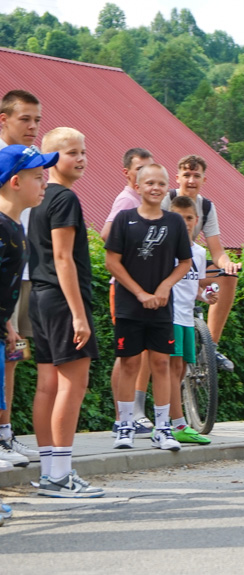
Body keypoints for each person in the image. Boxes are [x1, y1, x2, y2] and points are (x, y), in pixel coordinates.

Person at [28, 127, 104, 497]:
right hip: (61, 300)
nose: (81, 158)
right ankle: (60, 475)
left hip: (39, 298)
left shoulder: (38, 197)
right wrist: (78, 313)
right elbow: (63, 258)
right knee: (73, 385)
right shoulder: (65, 200)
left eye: (83, 151)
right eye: (72, 152)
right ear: (53, 158)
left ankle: (48, 472)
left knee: (48, 386)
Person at [105, 163, 192, 451]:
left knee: (161, 364)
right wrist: (140, 293)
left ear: (168, 187)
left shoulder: (175, 222)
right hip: (130, 306)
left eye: (161, 183)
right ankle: (126, 424)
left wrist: (165, 287)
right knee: (129, 363)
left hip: (162, 308)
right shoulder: (124, 219)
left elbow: (185, 263)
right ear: (138, 186)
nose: (155, 188)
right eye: (149, 183)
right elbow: (112, 262)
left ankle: (163, 427)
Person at [0, 144, 57, 519]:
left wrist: (6, 323)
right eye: (38, 176)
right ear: (16, 181)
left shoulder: (14, 225)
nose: (45, 182)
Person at [160, 155, 240, 372]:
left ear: (204, 179)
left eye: (196, 176)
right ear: (177, 178)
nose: (191, 180)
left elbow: (216, 249)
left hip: (190, 263)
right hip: (166, 263)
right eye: (187, 175)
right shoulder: (167, 200)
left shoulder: (206, 206)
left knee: (229, 277)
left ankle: (210, 346)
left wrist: (228, 264)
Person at [102, 148, 157, 437]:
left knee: (144, 353)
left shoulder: (147, 201)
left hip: (147, 290)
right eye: (140, 169)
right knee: (127, 355)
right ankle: (120, 416)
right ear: (127, 173)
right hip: (126, 289)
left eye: (150, 169)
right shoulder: (126, 199)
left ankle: (135, 413)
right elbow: (106, 234)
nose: (145, 175)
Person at [0, 90, 42, 466]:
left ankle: (6, 435)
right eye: (25, 119)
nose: (32, 127)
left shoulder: (31, 165)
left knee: (11, 356)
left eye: (36, 121)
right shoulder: (6, 165)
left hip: (21, 273)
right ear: (4, 119)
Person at [167, 195, 217, 444]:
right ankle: (176, 424)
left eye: (189, 218)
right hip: (171, 316)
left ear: (197, 221)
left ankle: (168, 420)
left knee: (181, 370)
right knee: (173, 368)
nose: (185, 223)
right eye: (179, 217)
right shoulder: (167, 247)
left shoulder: (198, 253)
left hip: (188, 317)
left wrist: (206, 297)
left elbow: (194, 287)